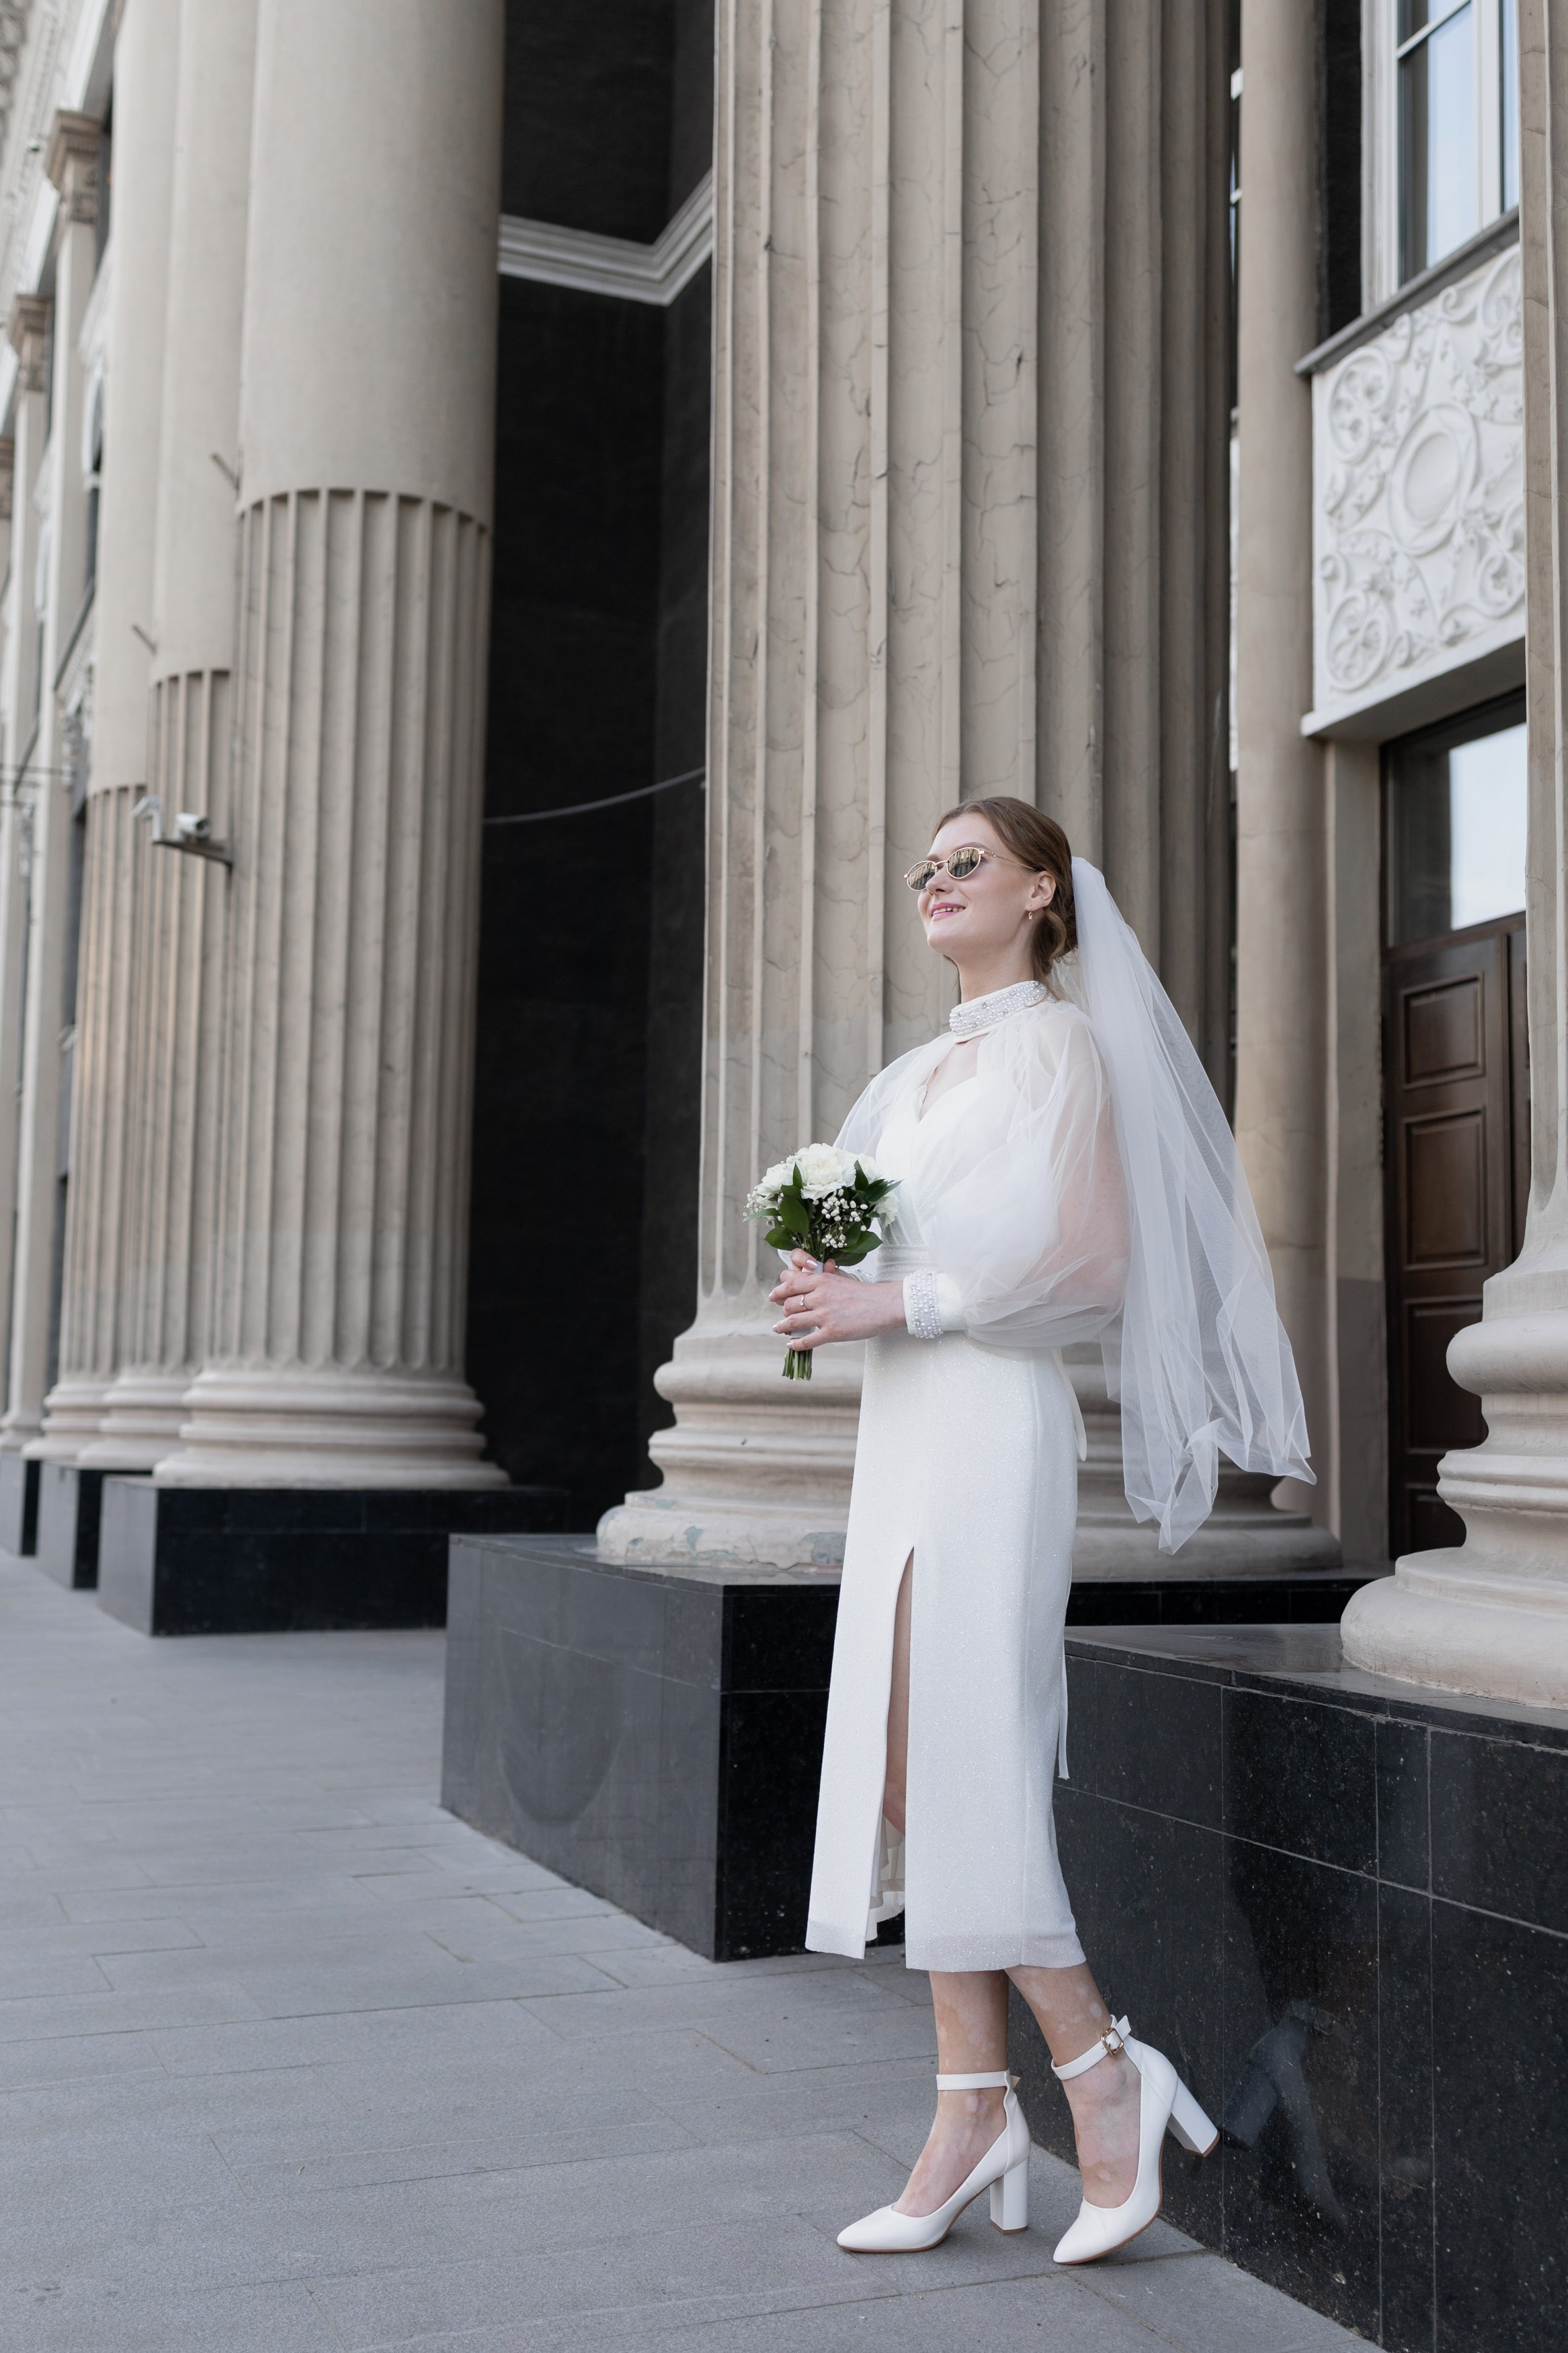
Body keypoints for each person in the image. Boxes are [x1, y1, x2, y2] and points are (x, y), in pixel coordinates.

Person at [768, 796, 1311, 2262]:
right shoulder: (902, 1080)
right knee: (901, 1758)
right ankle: (986, 2096)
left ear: (1043, 891)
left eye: (967, 863)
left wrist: (900, 1298)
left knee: (971, 1751)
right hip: (904, 1427)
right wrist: (828, 1275)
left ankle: (1079, 2077)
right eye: (924, 867)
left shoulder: (1066, 1048)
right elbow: (884, 1250)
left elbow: (1086, 1261)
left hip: (995, 1422)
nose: (934, 883)